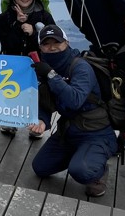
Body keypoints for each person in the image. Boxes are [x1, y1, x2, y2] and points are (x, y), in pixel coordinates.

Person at [30, 25, 116, 197]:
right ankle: (83, 155)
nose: (52, 47)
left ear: (67, 43)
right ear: (40, 47)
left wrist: (51, 75)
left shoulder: (80, 67)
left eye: (57, 42)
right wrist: (42, 120)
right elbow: (46, 100)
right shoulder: (45, 68)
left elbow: (75, 100)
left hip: (96, 132)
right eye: (46, 44)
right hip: (68, 131)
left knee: (82, 171)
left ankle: (98, 169)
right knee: (40, 167)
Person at [0, 0, 55, 138]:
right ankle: (11, 122)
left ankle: (36, 124)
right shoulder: (5, 18)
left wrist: (33, 33)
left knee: (39, 93)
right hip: (13, 62)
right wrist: (17, 25)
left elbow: (52, 41)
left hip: (38, 63)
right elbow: (6, 42)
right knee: (11, 92)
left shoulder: (44, 16)